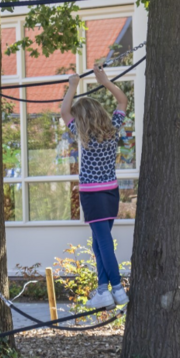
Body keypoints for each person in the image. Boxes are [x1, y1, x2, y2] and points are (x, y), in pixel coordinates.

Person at [60, 65, 130, 310]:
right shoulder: (113, 130)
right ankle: (103, 290)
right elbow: (122, 101)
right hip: (111, 193)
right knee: (99, 242)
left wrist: (72, 86)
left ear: (81, 120)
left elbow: (64, 110)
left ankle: (118, 289)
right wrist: (105, 81)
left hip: (92, 194)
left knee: (104, 242)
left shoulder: (81, 134)